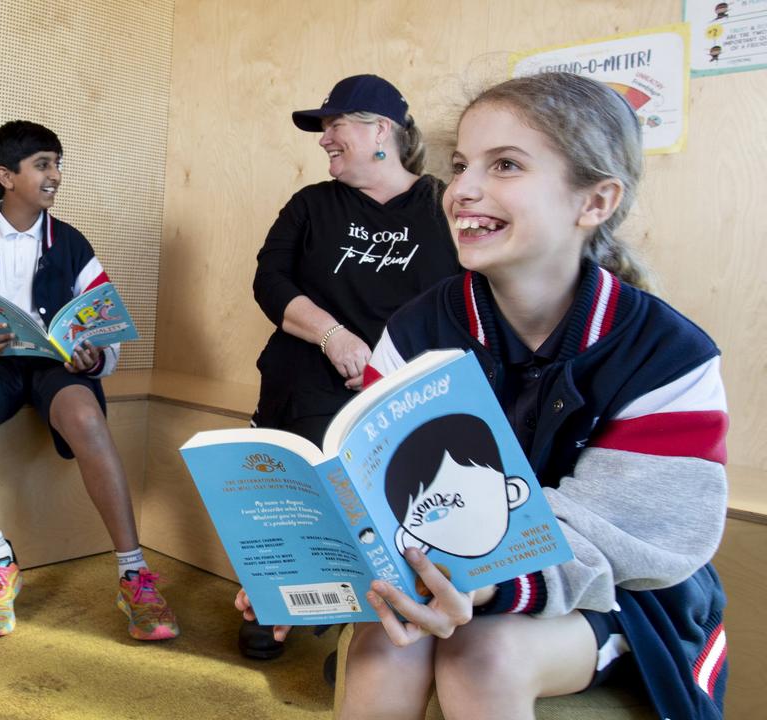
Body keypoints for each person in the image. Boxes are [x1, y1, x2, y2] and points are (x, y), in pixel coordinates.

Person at [249, 71, 728, 719]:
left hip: (619, 594)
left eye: (505, 165)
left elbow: (636, 539)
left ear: (595, 202)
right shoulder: (418, 328)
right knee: (384, 646)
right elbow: (380, 492)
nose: (464, 189)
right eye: (460, 165)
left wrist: (485, 582)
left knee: (482, 654)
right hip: (450, 567)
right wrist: (311, 564)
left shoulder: (669, 355)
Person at [0, 121, 179, 641]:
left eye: (57, 163)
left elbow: (104, 323)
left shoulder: (73, 244)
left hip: (56, 369)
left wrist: (92, 355)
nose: (55, 174)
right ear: (5, 176)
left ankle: (133, 573)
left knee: (86, 417)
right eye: (42, 165)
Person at [241, 73, 459, 660]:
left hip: (405, 383)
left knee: (394, 501)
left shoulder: (444, 203)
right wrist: (333, 335)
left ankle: (365, 635)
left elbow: (469, 298)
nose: (324, 139)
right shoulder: (311, 204)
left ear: (380, 129)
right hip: (309, 371)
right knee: (302, 481)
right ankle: (275, 598)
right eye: (324, 128)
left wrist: (392, 369)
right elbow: (270, 280)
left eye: (335, 125)